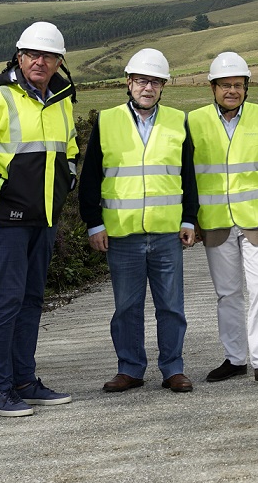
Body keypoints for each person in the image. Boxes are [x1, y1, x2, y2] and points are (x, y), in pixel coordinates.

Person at [0, 22, 79, 417]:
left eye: (49, 56)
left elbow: (70, 151)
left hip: (45, 219)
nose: (40, 62)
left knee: (32, 300)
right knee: (6, 303)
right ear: (19, 58)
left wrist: (68, 181)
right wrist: (2, 187)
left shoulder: (62, 102)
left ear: (59, 62)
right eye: (33, 55)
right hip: (6, 221)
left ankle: (25, 382)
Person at [79, 48, 199, 395]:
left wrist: (189, 219)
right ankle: (130, 369)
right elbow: (90, 178)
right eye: (142, 80)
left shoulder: (178, 121)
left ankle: (173, 369)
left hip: (167, 234)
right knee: (126, 308)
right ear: (129, 82)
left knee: (171, 307)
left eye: (156, 82)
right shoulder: (107, 120)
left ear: (163, 87)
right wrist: (94, 223)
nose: (148, 87)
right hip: (122, 234)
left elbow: (188, 176)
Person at [189, 52, 258, 387]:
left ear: (246, 87)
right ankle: (235, 359)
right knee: (227, 293)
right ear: (213, 88)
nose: (232, 90)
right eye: (225, 85)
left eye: (238, 85)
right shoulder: (194, 121)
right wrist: (190, 220)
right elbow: (188, 176)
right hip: (215, 221)